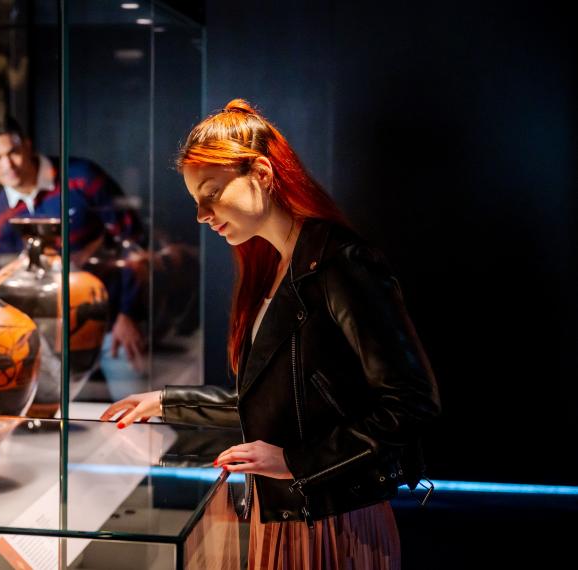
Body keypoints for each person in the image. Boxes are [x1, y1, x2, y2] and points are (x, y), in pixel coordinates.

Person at [100, 99, 441, 569]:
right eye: (195, 199)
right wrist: (165, 401)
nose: (201, 214)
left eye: (212, 192)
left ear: (261, 173)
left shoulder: (340, 264)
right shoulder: (279, 265)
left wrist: (300, 462)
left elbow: (411, 403)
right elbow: (279, 406)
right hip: (285, 511)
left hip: (328, 520)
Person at [0, 120, 149, 379]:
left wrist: (129, 313)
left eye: (12, 152)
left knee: (134, 412)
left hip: (113, 326)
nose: (7, 164)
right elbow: (12, 281)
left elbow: (133, 240)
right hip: (51, 341)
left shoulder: (82, 178)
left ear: (27, 146)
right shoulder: (0, 216)